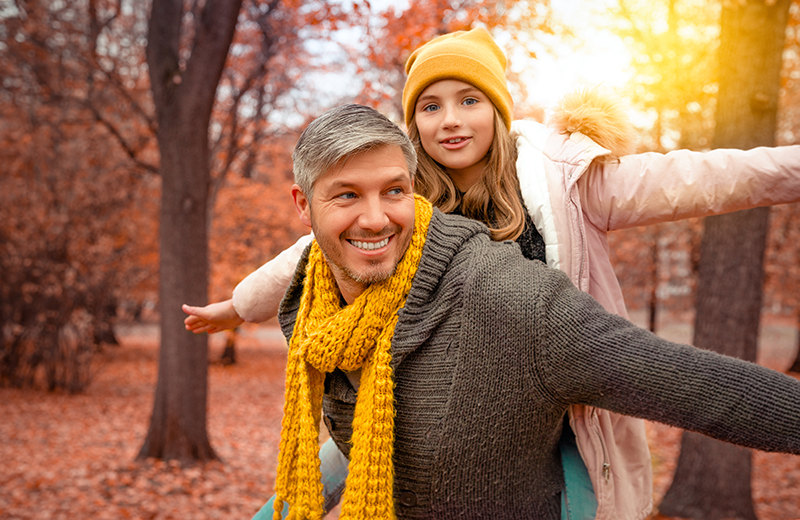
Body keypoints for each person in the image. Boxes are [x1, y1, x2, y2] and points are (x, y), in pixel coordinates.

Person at [183, 28, 800, 520]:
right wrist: (236, 307)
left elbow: (701, 179)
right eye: (431, 106)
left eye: (469, 100)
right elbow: (307, 252)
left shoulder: (567, 178)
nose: (451, 120)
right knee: (313, 484)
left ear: (498, 110)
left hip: (552, 382)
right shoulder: (406, 196)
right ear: (414, 125)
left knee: (577, 492)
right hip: (417, 378)